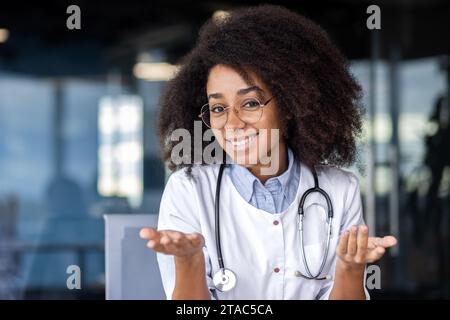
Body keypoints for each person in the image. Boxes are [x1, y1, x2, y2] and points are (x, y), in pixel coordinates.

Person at [140, 5, 397, 300]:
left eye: (250, 103)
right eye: (218, 108)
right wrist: (189, 261)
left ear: (289, 105)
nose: (232, 123)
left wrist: (351, 269)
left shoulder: (339, 189)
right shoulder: (188, 190)